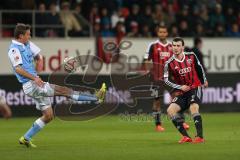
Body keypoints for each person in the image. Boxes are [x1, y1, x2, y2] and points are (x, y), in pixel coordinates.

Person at [8, 23, 107, 148]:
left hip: (35, 82)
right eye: (28, 34)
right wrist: (34, 77)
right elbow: (18, 69)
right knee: (64, 91)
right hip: (30, 85)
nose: (30, 36)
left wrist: (38, 64)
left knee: (49, 116)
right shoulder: (14, 49)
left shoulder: (27, 44)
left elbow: (39, 56)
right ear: (21, 36)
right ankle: (96, 98)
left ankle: (25, 138)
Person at [144, 25, 189, 132]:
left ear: (167, 33)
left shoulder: (171, 46)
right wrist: (147, 72)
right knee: (157, 101)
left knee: (177, 99)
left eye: (164, 32)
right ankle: (158, 124)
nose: (162, 34)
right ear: (157, 33)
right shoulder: (153, 45)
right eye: (160, 32)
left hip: (170, 78)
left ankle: (181, 121)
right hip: (156, 78)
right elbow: (146, 60)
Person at [164, 37, 208, 144]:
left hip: (195, 87)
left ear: (182, 47)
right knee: (170, 111)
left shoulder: (191, 56)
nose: (175, 48)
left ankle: (200, 136)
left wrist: (204, 80)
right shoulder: (169, 63)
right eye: (174, 45)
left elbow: (199, 68)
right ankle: (186, 136)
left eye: (178, 45)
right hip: (183, 91)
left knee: (193, 108)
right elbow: (166, 80)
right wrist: (180, 87)